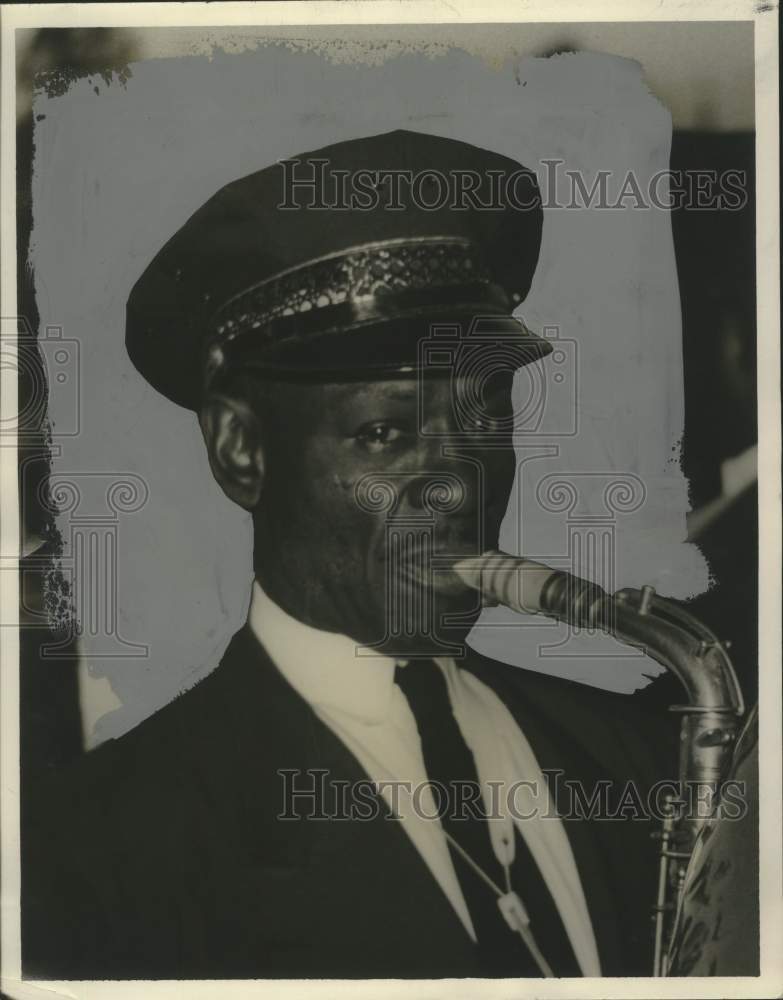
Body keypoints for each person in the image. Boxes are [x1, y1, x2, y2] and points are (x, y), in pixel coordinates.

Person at [23, 130, 673, 980]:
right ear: (240, 451)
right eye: (383, 433)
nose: (456, 485)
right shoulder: (91, 852)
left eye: (482, 417)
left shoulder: (633, 756)